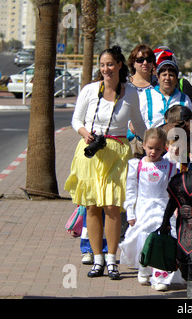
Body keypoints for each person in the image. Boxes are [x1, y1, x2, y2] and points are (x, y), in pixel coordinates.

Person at [65, 45, 147, 280]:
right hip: (91, 153)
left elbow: (138, 124)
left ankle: (112, 260)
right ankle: (97, 258)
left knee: (112, 207)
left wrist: (156, 141)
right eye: (102, 65)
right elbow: (75, 119)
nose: (106, 69)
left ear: (120, 65)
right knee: (92, 207)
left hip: (118, 153)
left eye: (110, 64)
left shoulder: (131, 93)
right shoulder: (90, 90)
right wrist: (84, 132)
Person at [119, 127, 181, 291]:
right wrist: (130, 213)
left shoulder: (169, 166)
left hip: (162, 208)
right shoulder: (136, 165)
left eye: (158, 149)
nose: (154, 152)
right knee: (143, 237)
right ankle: (144, 267)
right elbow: (131, 191)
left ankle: (160, 275)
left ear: (165, 147)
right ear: (144, 145)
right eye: (150, 148)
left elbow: (174, 189)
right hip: (143, 208)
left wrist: (176, 208)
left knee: (163, 238)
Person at [159, 140, 192, 299]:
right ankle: (187, 276)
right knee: (181, 255)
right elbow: (172, 203)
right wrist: (165, 222)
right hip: (182, 221)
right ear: (190, 157)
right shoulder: (178, 179)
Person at [140, 59, 192, 129]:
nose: (167, 78)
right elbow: (136, 120)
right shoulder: (146, 96)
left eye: (171, 75)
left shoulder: (184, 99)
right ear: (158, 77)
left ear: (176, 78)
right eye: (164, 75)